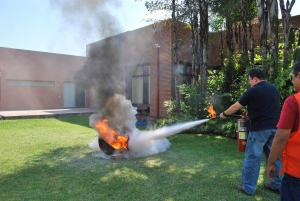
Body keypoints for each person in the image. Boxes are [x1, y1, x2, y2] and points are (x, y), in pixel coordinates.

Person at [219, 69, 282, 196]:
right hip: (275, 129)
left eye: (249, 80)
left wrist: (224, 114)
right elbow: (267, 107)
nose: (249, 83)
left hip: (259, 130)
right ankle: (277, 185)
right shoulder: (273, 89)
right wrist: (251, 114)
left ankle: (248, 187)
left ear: (255, 79)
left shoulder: (253, 90)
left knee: (253, 158)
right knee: (274, 157)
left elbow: (236, 106)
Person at [266, 60, 300, 201]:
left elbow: (281, 137)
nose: (292, 82)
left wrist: (271, 162)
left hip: (296, 173)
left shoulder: (293, 102)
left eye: (292, 77)